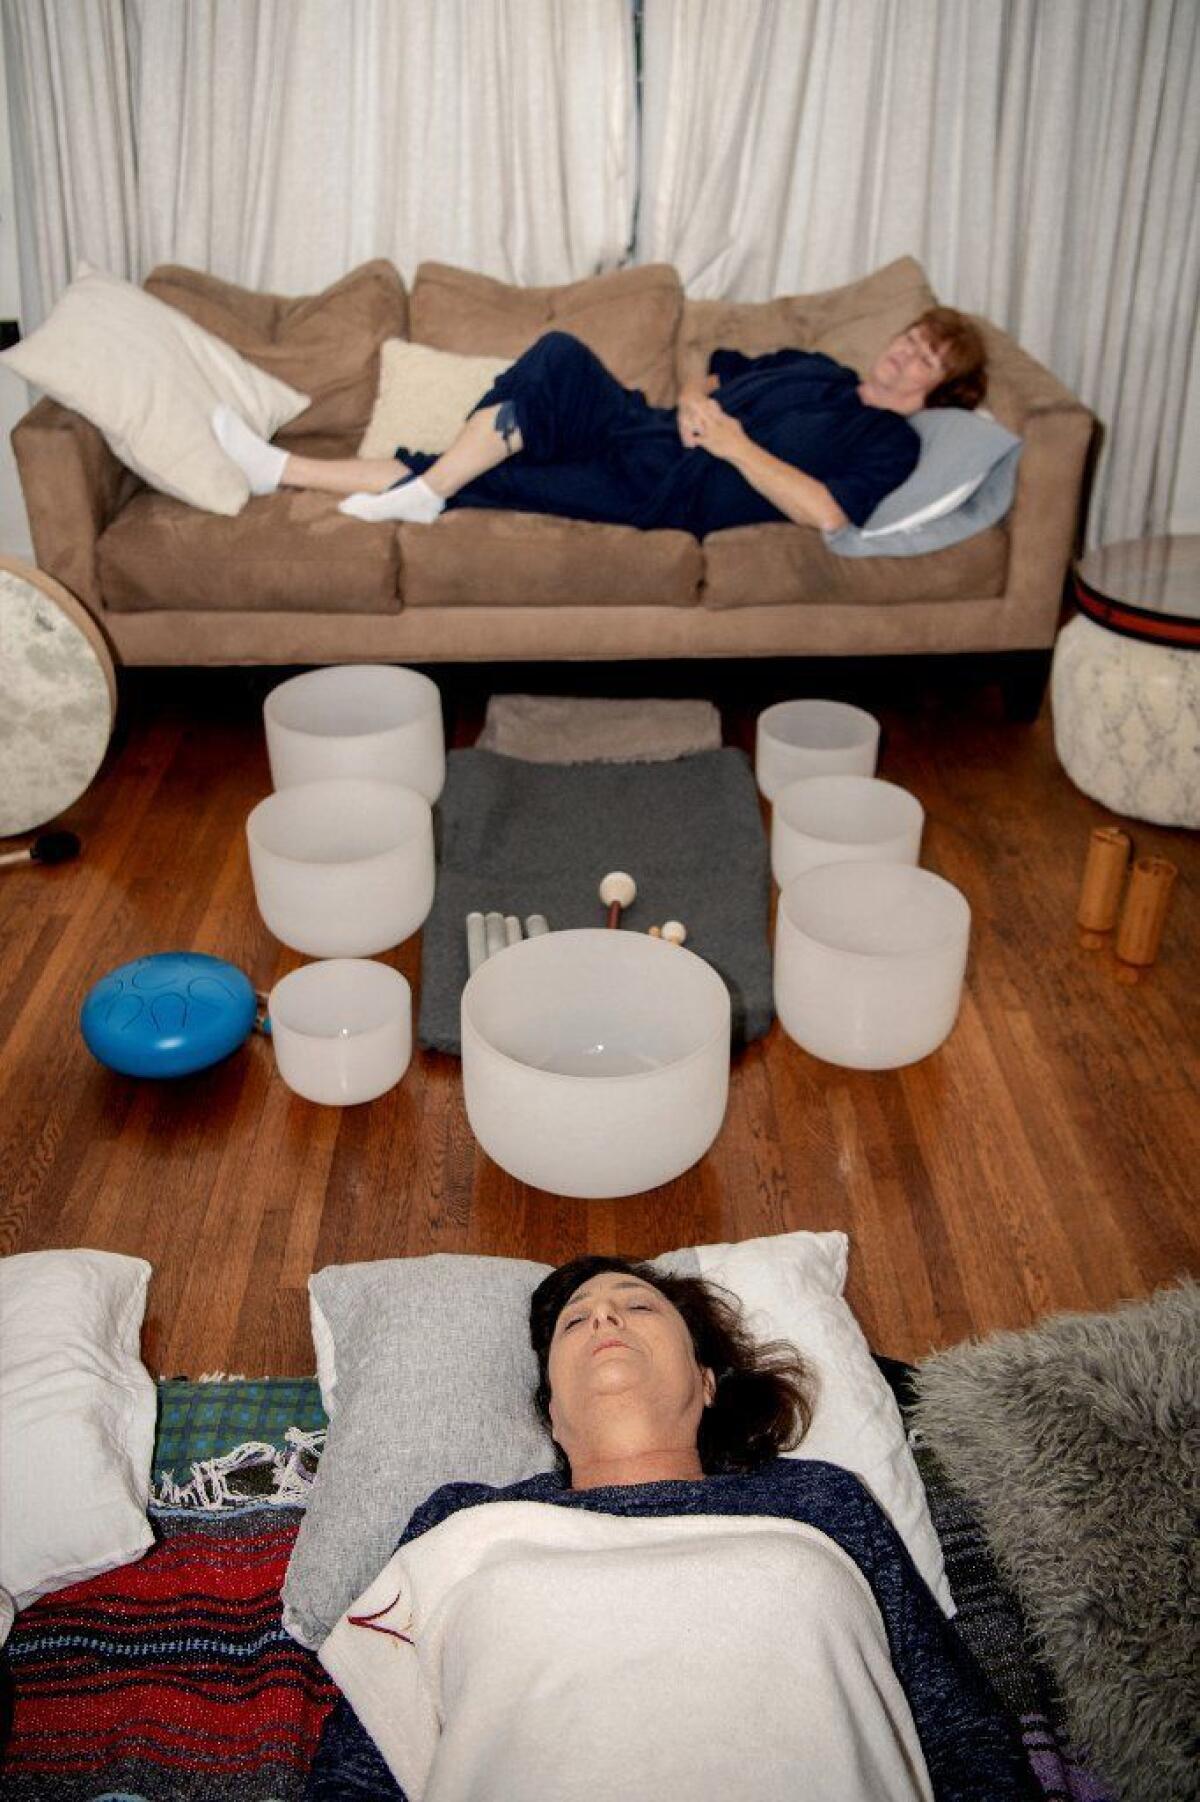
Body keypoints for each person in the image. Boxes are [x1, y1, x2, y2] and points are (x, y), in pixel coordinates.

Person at [306, 1255, 1034, 1801]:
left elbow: (960, 1733)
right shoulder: (463, 1519)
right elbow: (364, 1763)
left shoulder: (819, 1501)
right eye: (575, 1320)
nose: (605, 1319)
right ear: (552, 1410)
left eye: (639, 1307)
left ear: (708, 1381)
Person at [214, 307, 986, 541]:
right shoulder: (822, 370)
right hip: (640, 425)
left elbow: (827, 511)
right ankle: (435, 483)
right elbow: (712, 364)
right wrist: (691, 396)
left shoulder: (891, 442)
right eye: (908, 340)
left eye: (924, 361)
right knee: (555, 353)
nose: (902, 357)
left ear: (941, 391)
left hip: (658, 489)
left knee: (495, 472)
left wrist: (733, 444)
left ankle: (281, 471)